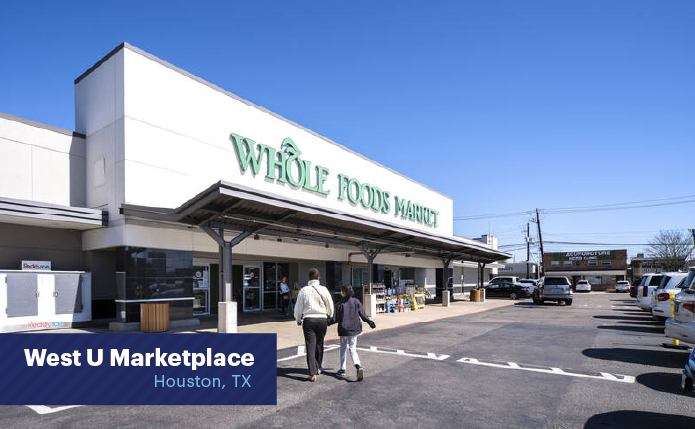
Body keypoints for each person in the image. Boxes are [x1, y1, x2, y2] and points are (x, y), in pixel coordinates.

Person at [294, 268, 334, 382]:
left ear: (309, 278)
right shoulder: (324, 289)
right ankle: (319, 367)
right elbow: (330, 304)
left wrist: (297, 318)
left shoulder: (304, 290)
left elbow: (298, 307)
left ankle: (312, 372)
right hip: (322, 320)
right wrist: (330, 315)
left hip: (309, 320)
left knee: (310, 346)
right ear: (318, 278)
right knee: (320, 344)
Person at [329, 284, 376, 382]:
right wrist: (370, 322)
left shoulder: (339, 304)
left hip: (343, 329)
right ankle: (358, 366)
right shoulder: (356, 301)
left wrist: (326, 322)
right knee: (352, 348)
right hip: (354, 329)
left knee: (343, 348)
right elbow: (363, 315)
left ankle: (342, 369)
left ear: (344, 292)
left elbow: (334, 319)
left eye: (342, 291)